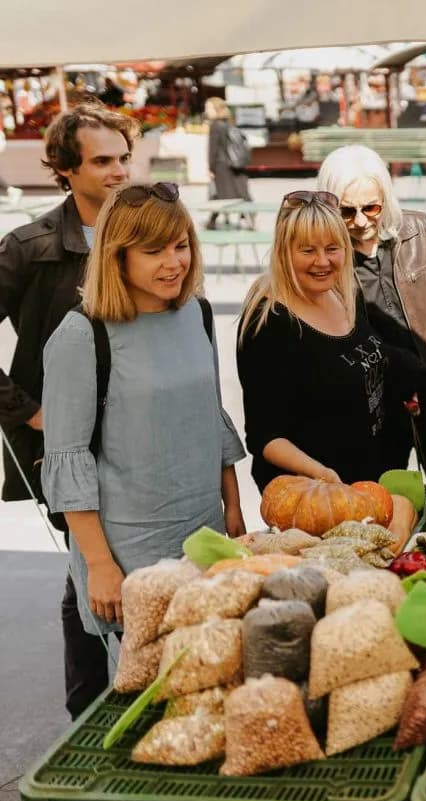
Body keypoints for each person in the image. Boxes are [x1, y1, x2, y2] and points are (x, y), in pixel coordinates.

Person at [41, 183, 245, 717]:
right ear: (117, 254)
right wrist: (99, 564)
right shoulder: (82, 335)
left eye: (180, 245)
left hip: (203, 537)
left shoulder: (197, 314)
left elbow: (211, 415)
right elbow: (68, 460)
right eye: (154, 251)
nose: (173, 262)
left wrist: (235, 511)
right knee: (145, 702)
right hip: (130, 553)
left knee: (206, 690)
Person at [0, 103, 137, 514]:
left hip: (139, 432)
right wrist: (28, 411)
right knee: (94, 562)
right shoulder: (28, 247)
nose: (120, 171)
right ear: (66, 168)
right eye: (102, 161)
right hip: (65, 443)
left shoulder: (147, 236)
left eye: (124, 158)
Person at [315, 144, 426, 494]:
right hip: (370, 408)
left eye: (371, 207)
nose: (361, 221)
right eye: (347, 211)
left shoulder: (421, 231)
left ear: (386, 197)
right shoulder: (324, 260)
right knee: (377, 505)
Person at [237, 191, 394, 490]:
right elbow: (265, 437)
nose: (322, 261)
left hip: (366, 483)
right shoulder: (269, 321)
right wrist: (322, 475)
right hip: (311, 495)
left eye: (332, 248)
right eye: (307, 250)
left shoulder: (344, 292)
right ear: (284, 251)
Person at [204, 97, 252, 230]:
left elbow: (213, 149)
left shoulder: (214, 125)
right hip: (233, 165)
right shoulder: (228, 123)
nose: (206, 111)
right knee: (237, 193)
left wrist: (210, 167)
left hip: (221, 165)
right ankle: (246, 218)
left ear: (215, 109)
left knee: (219, 195)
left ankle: (212, 221)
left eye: (208, 108)